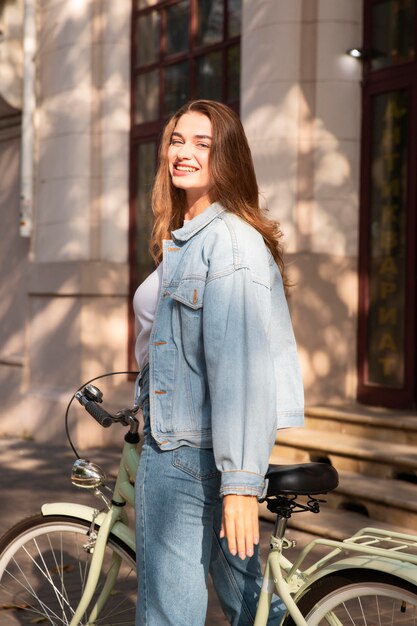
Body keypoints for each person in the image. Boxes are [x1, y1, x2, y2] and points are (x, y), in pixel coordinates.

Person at [133, 99, 304, 626]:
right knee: (251, 606)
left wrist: (240, 487)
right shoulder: (188, 236)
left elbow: (243, 371)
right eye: (177, 140)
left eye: (202, 144)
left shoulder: (228, 243)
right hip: (193, 444)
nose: (184, 152)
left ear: (226, 157)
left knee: (168, 614)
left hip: (187, 455)